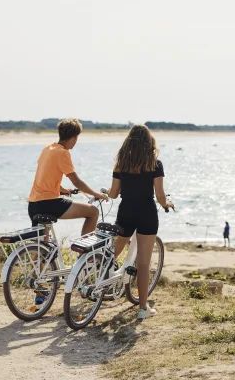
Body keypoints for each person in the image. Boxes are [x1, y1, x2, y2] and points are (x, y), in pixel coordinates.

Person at [107, 125, 174, 320]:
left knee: (112, 254)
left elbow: (113, 194)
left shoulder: (121, 164)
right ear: (149, 142)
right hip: (146, 212)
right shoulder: (155, 163)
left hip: (126, 210)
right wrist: (167, 203)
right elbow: (160, 195)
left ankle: (98, 283)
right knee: (143, 264)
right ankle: (143, 308)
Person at [27, 119, 107, 235]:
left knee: (41, 248)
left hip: (33, 205)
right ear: (74, 138)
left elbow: (45, 177)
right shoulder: (63, 153)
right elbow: (77, 182)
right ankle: (84, 251)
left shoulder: (47, 149)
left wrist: (63, 190)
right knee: (93, 212)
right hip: (49, 204)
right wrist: (97, 194)